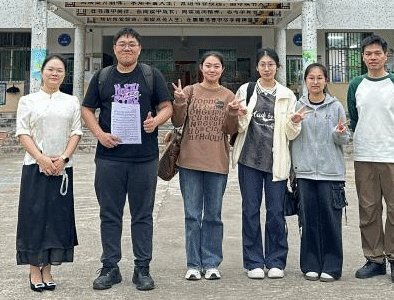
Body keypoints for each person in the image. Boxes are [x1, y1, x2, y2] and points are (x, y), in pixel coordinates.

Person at [81, 28, 173, 291]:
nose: (127, 48)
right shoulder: (103, 77)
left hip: (144, 158)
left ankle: (142, 268)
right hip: (109, 158)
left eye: (132, 44)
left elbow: (166, 107)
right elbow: (87, 109)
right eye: (122, 44)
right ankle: (110, 267)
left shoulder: (151, 75)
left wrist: (156, 122)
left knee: (142, 215)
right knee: (109, 214)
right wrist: (99, 134)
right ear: (115, 49)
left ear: (139, 49)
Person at [171, 51, 244, 281]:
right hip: (189, 162)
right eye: (208, 65)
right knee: (192, 216)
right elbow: (177, 121)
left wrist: (232, 112)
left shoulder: (228, 95)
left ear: (222, 70)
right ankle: (193, 264)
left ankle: (211, 263)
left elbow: (230, 130)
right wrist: (179, 101)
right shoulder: (189, 91)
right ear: (201, 68)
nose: (212, 70)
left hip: (217, 163)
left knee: (213, 215)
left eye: (216, 66)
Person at [347, 34, 394, 285]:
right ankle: (374, 259)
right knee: (369, 210)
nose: (373, 57)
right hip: (365, 157)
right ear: (363, 57)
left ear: (386, 55)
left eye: (377, 53)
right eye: (368, 54)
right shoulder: (356, 85)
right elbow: (355, 119)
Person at [15, 54, 82, 293]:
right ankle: (34, 269)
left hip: (62, 169)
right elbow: (23, 132)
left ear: (65, 75)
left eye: (60, 70)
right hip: (35, 167)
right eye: (51, 69)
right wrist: (41, 158)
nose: (55, 74)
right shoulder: (28, 101)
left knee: (57, 219)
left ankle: (49, 269)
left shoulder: (71, 101)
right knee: (33, 219)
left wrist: (63, 158)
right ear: (42, 72)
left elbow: (76, 132)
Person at [231, 48, 299, 279]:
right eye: (263, 64)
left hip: (276, 162)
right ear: (257, 67)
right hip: (249, 161)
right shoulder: (246, 90)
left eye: (271, 64)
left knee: (276, 212)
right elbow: (240, 127)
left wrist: (294, 122)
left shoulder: (287, 95)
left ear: (277, 67)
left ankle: (276, 261)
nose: (267, 68)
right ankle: (254, 262)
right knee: (250, 211)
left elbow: (290, 133)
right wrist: (240, 114)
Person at [290, 62, 350, 282]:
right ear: (305, 81)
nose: (315, 82)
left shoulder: (335, 107)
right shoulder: (298, 105)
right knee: (308, 221)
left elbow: (344, 139)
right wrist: (293, 123)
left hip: (330, 172)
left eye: (319, 78)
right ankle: (310, 265)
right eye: (311, 78)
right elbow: (291, 136)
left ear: (325, 81)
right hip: (305, 172)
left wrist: (340, 133)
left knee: (331, 221)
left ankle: (332, 267)